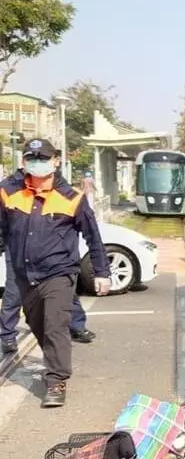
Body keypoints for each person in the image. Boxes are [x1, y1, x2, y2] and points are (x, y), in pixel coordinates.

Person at [0, 138, 110, 407]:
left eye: (43, 158)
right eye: (32, 158)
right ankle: (54, 361)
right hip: (24, 274)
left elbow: (93, 237)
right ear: (23, 162)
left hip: (59, 273)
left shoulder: (72, 198)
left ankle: (57, 379)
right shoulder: (7, 192)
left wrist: (102, 272)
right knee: (37, 324)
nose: (37, 163)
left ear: (55, 161)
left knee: (55, 326)